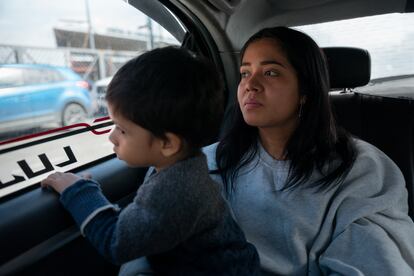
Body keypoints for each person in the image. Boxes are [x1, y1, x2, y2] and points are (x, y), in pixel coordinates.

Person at [203, 26, 414, 275]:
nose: (250, 84)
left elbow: (375, 263)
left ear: (305, 90)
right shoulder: (207, 164)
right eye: (245, 73)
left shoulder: (361, 169)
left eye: (270, 72)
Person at [41, 46, 260, 275]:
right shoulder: (185, 165)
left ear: (167, 144)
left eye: (122, 130)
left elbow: (115, 242)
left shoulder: (177, 192)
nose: (111, 137)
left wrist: (77, 191)